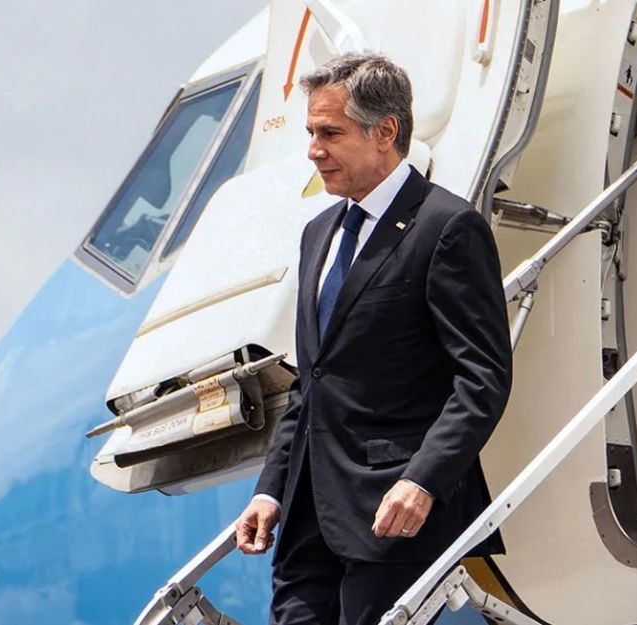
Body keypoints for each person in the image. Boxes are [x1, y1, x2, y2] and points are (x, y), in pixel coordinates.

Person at [234, 52, 512, 625]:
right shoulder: (319, 234)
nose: (313, 150)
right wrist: (270, 488)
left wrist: (423, 481)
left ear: (385, 132)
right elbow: (311, 382)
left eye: (329, 133)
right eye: (312, 132)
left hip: (395, 510)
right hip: (309, 510)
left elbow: (482, 379)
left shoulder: (446, 226)